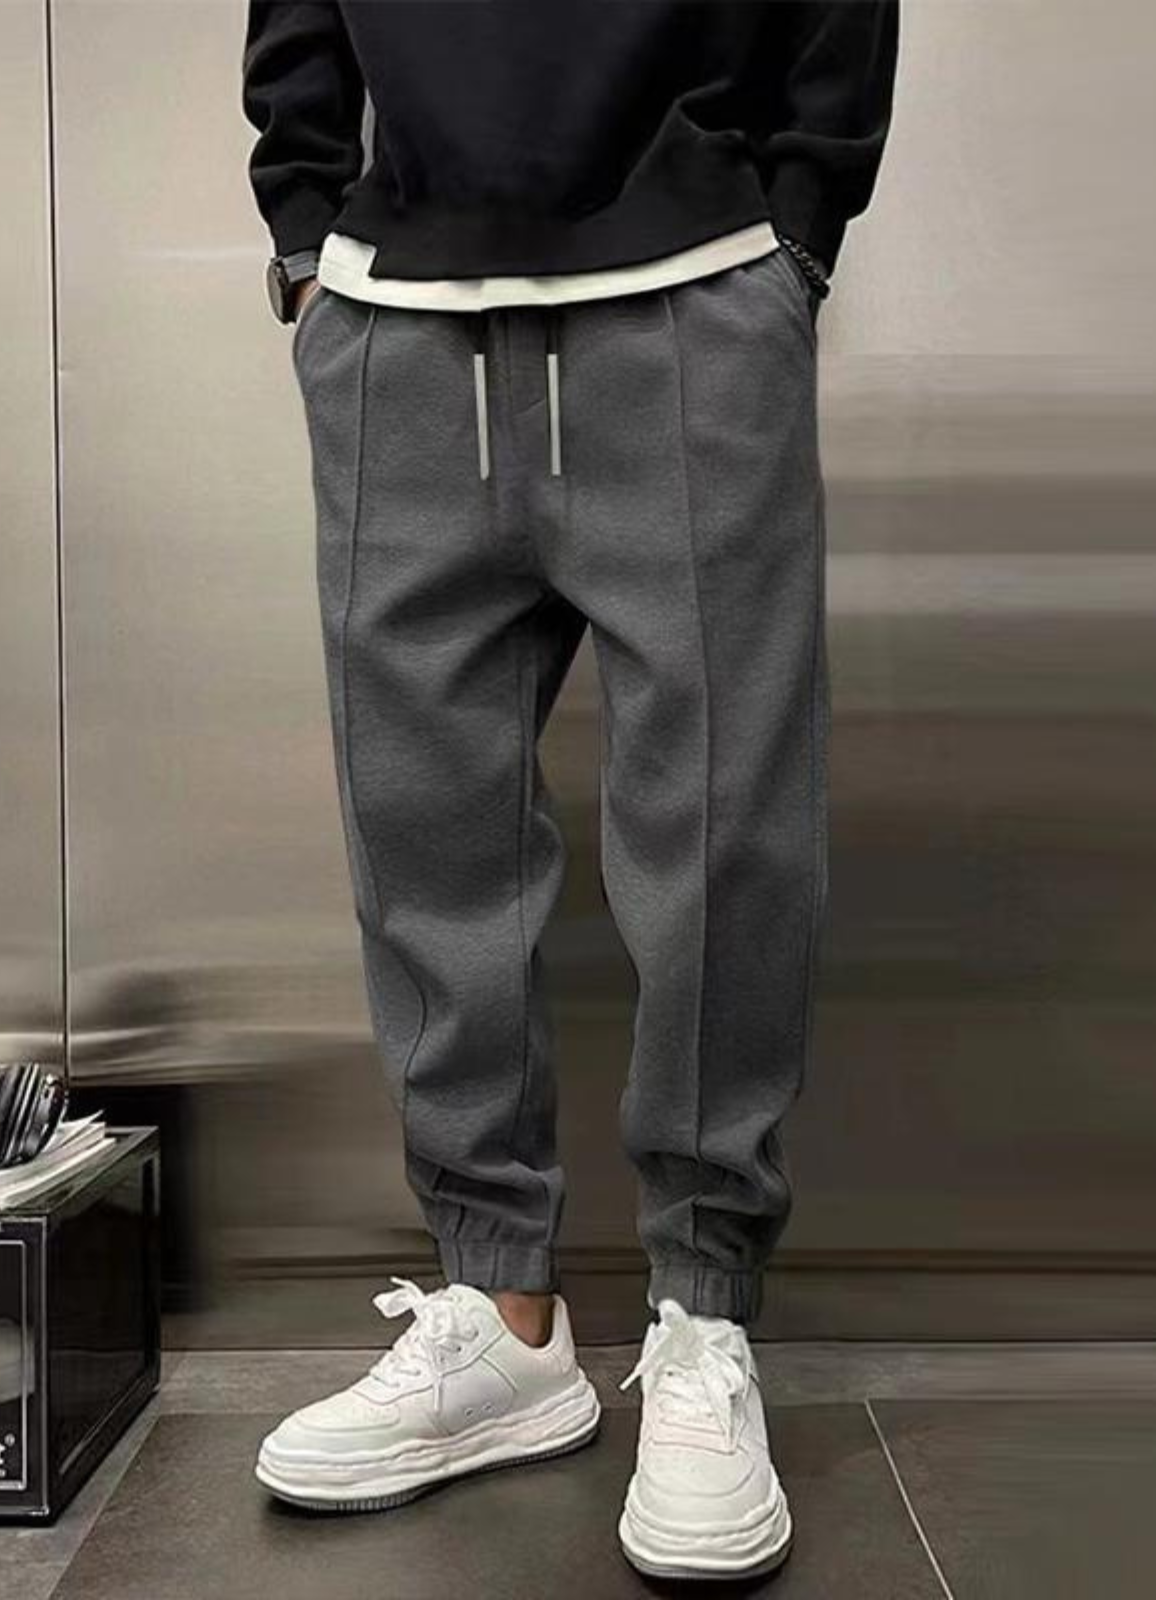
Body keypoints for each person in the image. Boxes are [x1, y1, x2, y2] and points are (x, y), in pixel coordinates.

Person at [242, 1, 896, 1579]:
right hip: (400, 309)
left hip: (691, 289)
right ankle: (503, 1317)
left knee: (725, 832)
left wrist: (796, 226)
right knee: (422, 827)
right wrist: (307, 233)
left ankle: (702, 1316)